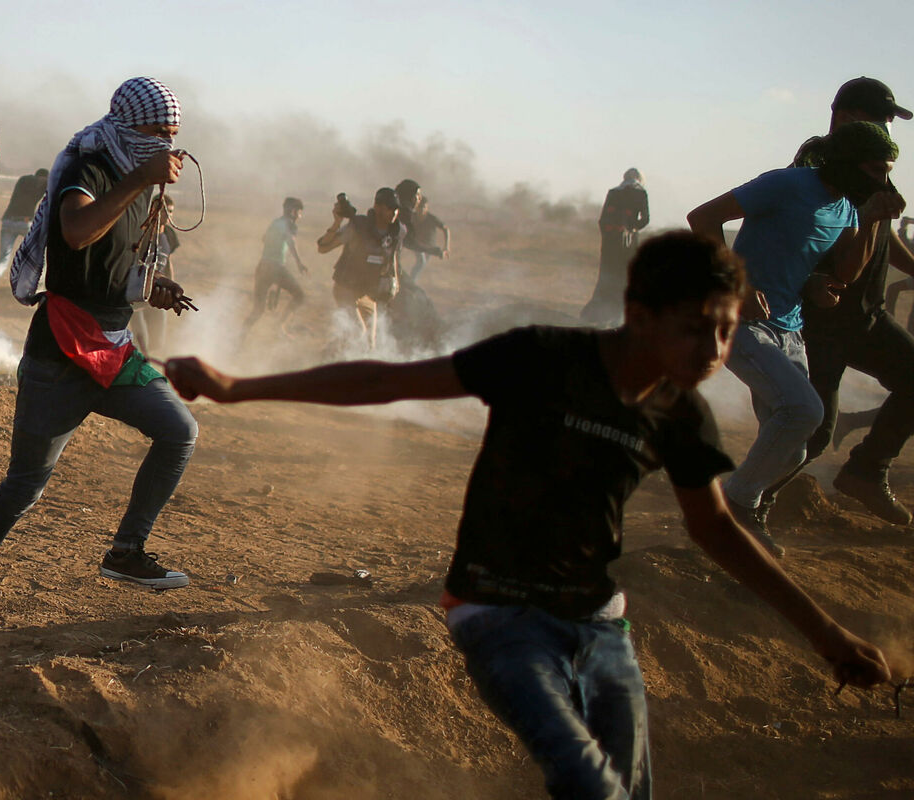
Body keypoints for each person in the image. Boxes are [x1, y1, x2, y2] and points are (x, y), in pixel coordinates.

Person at [165, 231, 891, 800]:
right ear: (639, 317)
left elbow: (716, 530)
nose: (714, 351)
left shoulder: (680, 413)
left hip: (601, 626)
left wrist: (826, 635)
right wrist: (236, 387)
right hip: (499, 614)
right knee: (588, 785)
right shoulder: (541, 357)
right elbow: (386, 381)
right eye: (695, 330)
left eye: (725, 332)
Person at [0, 77, 197, 657]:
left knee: (179, 430)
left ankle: (125, 552)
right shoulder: (93, 168)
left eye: (173, 136)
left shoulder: (141, 182)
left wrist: (153, 286)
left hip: (114, 347)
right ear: (130, 127)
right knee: (25, 486)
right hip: (60, 351)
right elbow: (78, 234)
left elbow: (114, 262)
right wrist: (140, 179)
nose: (166, 146)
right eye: (157, 133)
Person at [688, 121, 904, 555]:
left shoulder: (847, 207)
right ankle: (733, 508)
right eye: (877, 170)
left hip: (788, 327)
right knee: (804, 410)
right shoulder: (787, 184)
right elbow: (702, 218)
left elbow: (846, 272)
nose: (884, 182)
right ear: (849, 162)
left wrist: (870, 222)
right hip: (738, 320)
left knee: (793, 453)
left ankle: (733, 513)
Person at [752, 78, 914, 527]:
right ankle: (749, 505)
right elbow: (796, 234)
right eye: (880, 117)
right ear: (845, 116)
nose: (888, 126)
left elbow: (881, 229)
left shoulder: (874, 161)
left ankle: (867, 471)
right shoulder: (818, 167)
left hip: (866, 315)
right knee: (814, 432)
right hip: (822, 319)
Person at [317, 187, 405, 350]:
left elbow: (392, 256)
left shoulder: (396, 232)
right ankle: (333, 355)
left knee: (370, 344)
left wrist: (394, 281)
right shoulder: (358, 228)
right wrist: (337, 223)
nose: (394, 213)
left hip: (367, 293)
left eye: (396, 209)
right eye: (389, 208)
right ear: (377, 207)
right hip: (346, 288)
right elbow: (323, 248)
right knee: (358, 333)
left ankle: (334, 354)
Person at [582, 169, 650, 325]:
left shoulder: (614, 192)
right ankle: (619, 316)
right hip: (629, 244)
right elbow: (645, 219)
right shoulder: (640, 193)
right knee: (625, 277)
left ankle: (598, 314)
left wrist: (610, 235)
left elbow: (603, 220)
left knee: (607, 275)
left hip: (610, 243)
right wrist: (631, 228)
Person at [240, 196, 309, 340]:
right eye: (299, 212)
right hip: (275, 268)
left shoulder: (275, 222)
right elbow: (291, 243)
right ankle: (280, 327)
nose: (300, 216)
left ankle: (240, 335)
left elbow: (264, 239)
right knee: (300, 296)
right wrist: (299, 263)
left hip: (263, 266)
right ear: (293, 211)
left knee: (258, 309)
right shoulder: (289, 225)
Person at [129, 193, 180, 356]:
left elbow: (168, 261)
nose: (168, 215)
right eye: (164, 210)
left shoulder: (169, 235)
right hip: (138, 294)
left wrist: (171, 287)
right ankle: (138, 364)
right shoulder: (141, 233)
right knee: (141, 339)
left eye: (170, 211)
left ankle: (147, 361)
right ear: (153, 209)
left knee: (157, 340)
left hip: (158, 294)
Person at [0, 168, 49, 284]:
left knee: (4, 256)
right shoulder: (42, 185)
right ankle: (40, 281)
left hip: (8, 221)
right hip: (25, 223)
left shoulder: (23, 180)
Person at [394, 178, 446, 276]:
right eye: (417, 195)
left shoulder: (400, 212)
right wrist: (433, 250)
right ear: (410, 197)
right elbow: (409, 242)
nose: (419, 199)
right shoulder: (403, 215)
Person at [408, 194, 450, 283]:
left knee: (422, 264)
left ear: (427, 208)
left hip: (430, 246)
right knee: (421, 262)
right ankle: (411, 282)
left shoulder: (432, 218)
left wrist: (446, 246)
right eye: (419, 207)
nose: (421, 210)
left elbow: (445, 229)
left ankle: (413, 281)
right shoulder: (412, 217)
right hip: (417, 244)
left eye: (424, 207)